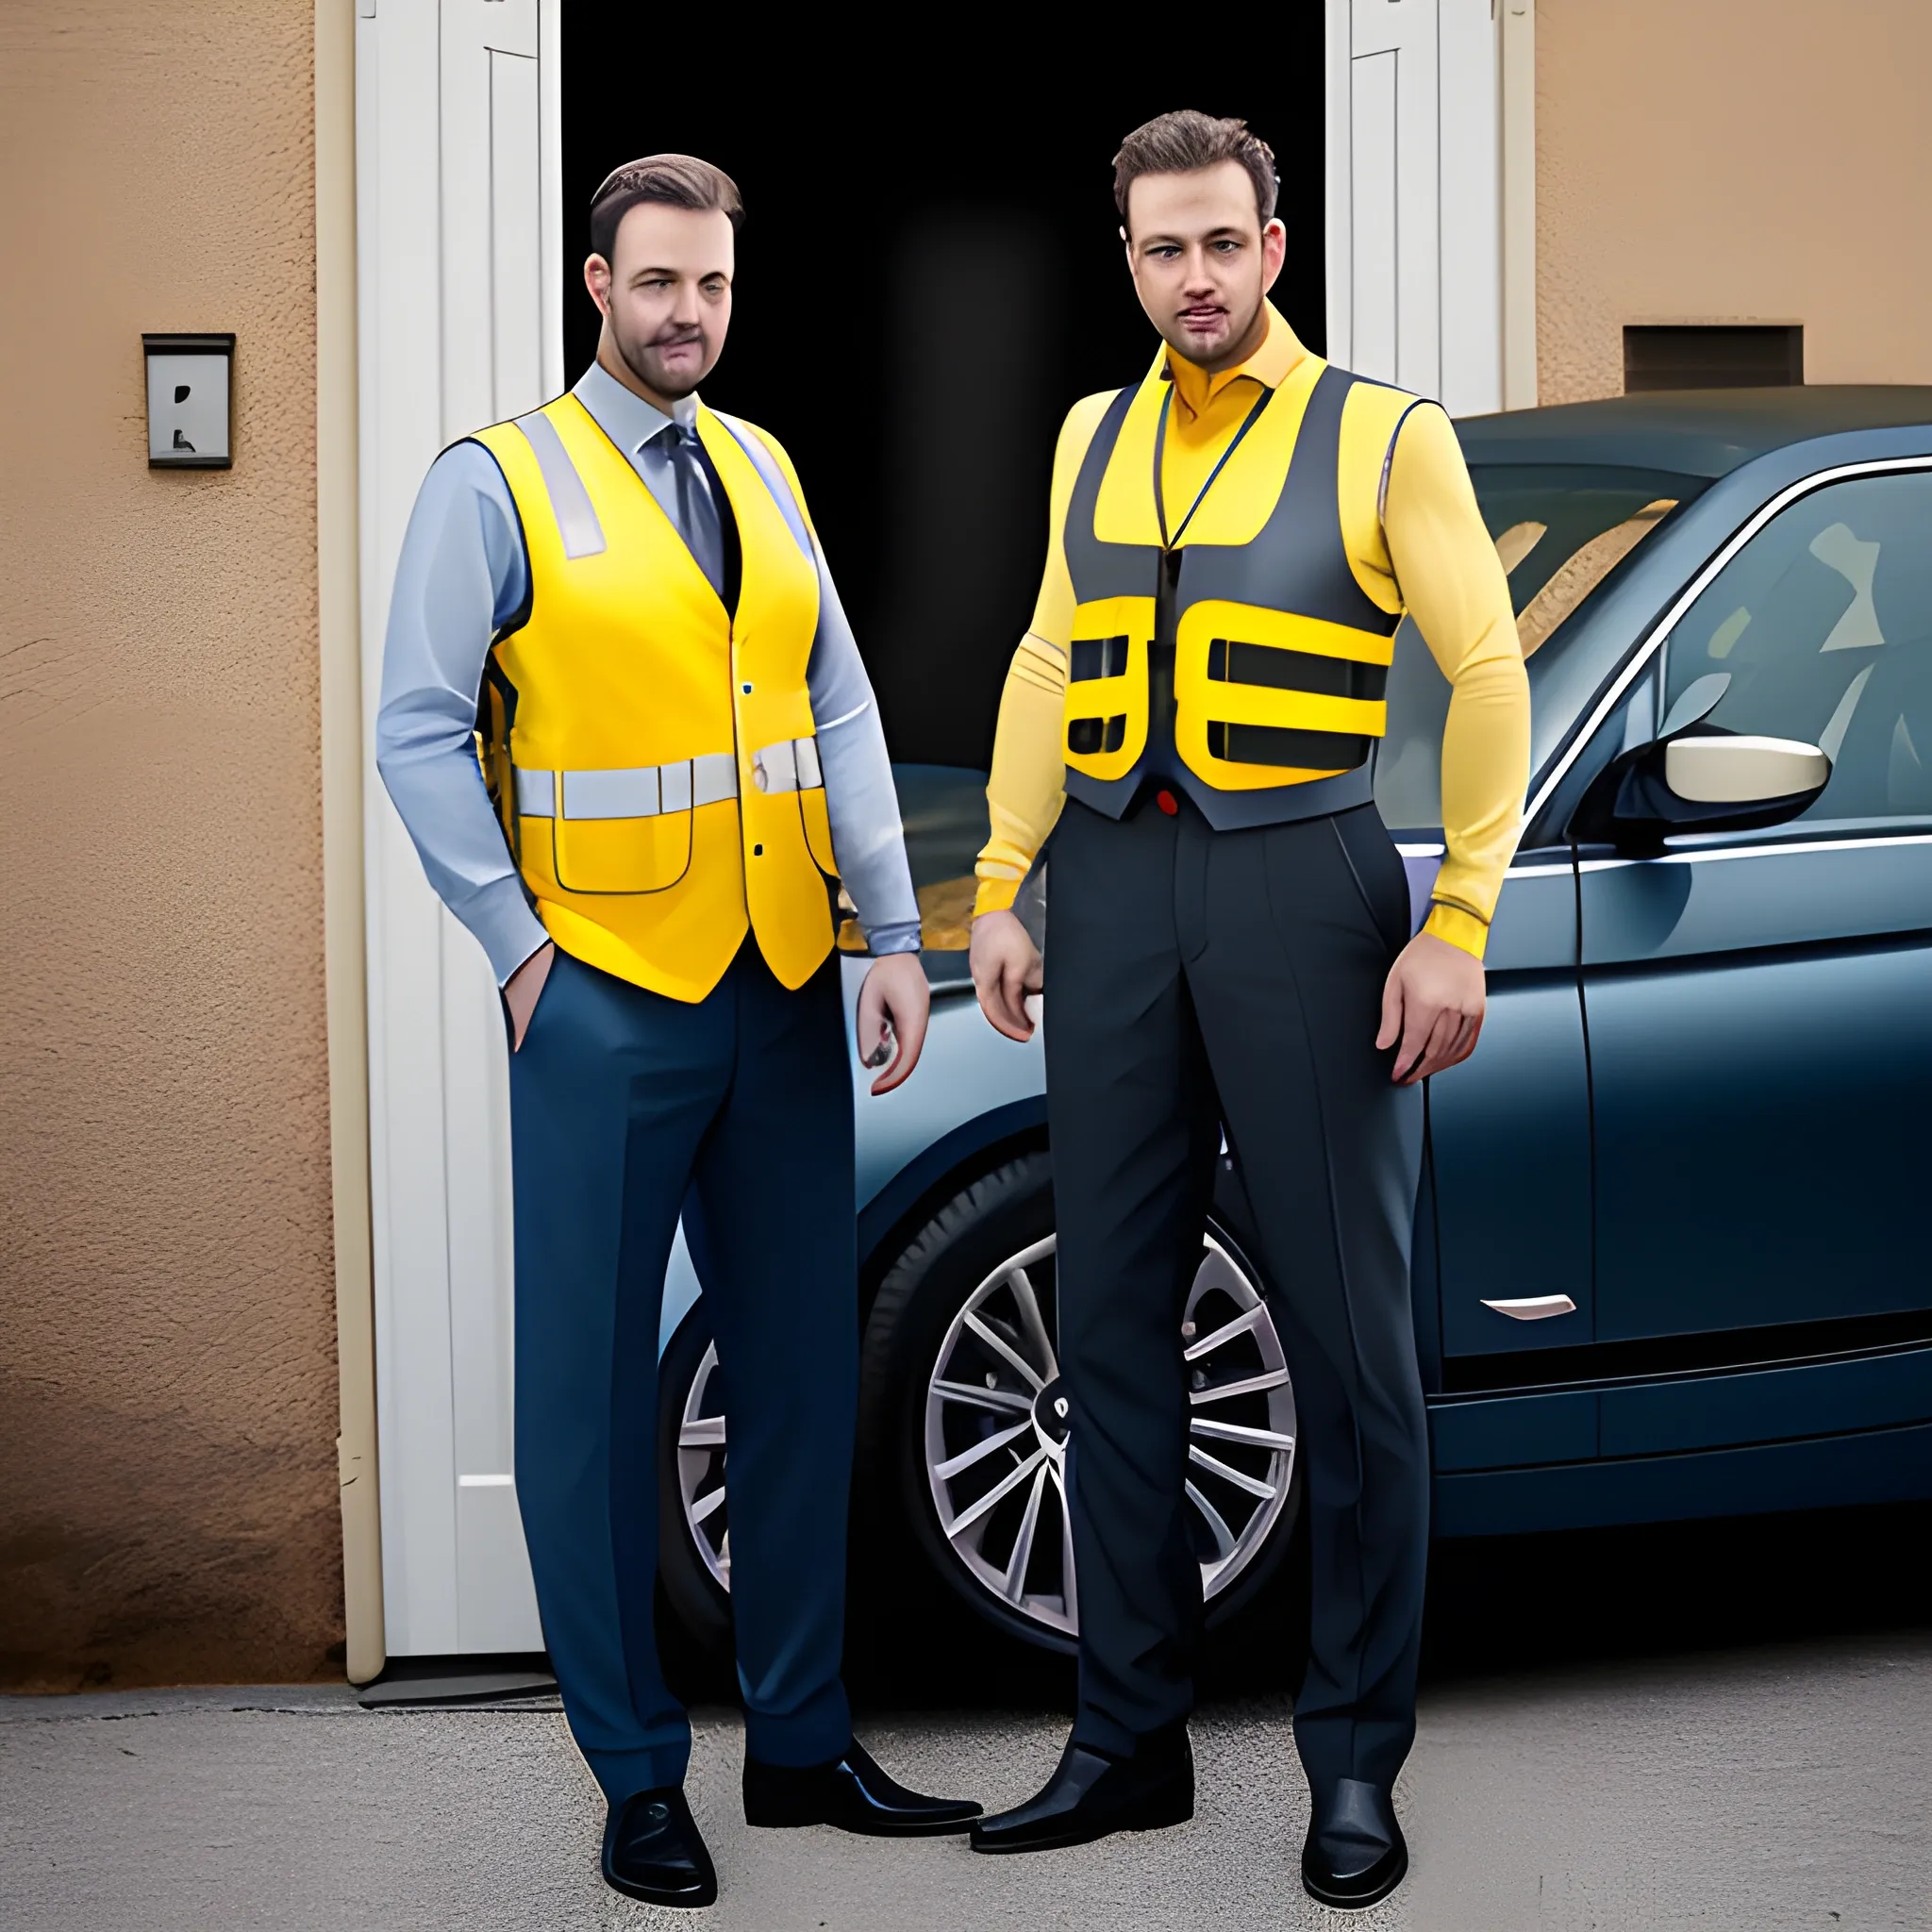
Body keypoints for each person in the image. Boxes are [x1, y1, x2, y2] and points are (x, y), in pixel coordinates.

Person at [376, 153, 978, 1910]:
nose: (688, 315)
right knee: (582, 1401)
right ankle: (637, 1775)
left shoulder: (764, 464)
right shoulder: (494, 487)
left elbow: (837, 702)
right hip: (604, 1004)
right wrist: (511, 948)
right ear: (596, 285)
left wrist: (887, 928)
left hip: (782, 987)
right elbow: (418, 732)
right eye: (657, 285)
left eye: (711, 286)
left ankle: (798, 1746)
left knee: (796, 1376)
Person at [964, 111, 1529, 1909]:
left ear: (1275, 246)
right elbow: (1054, 653)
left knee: (1356, 1361)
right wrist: (1000, 879)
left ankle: (1354, 1766)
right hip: (1116, 900)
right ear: (1124, 258)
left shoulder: (1385, 432)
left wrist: (1458, 918)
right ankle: (1127, 1741)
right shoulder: (1091, 434)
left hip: (1311, 885)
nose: (1192, 278)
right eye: (1159, 251)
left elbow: (1490, 666)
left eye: (1222, 244)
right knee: (1111, 1332)